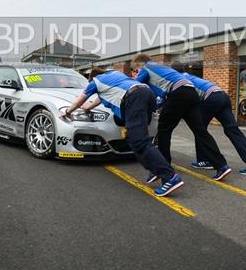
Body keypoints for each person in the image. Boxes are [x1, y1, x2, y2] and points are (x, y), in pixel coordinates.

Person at [61, 67, 184, 197]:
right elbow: (97, 100)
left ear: (92, 78)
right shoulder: (115, 77)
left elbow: (82, 98)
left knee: (140, 141)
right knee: (135, 140)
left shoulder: (95, 82)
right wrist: (88, 107)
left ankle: (169, 177)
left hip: (134, 97)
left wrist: (68, 111)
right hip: (146, 93)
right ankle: (157, 170)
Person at [131, 54, 229, 181]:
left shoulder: (147, 68)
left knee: (163, 131)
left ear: (141, 63)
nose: (137, 72)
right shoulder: (163, 68)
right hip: (191, 93)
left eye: (136, 68)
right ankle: (221, 165)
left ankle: (162, 169)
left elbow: (135, 85)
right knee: (200, 132)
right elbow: (161, 96)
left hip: (178, 94)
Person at [172, 64, 246, 176]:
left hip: (211, 98)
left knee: (199, 129)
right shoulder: (190, 76)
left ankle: (204, 160)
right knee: (231, 129)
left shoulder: (179, 79)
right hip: (222, 95)